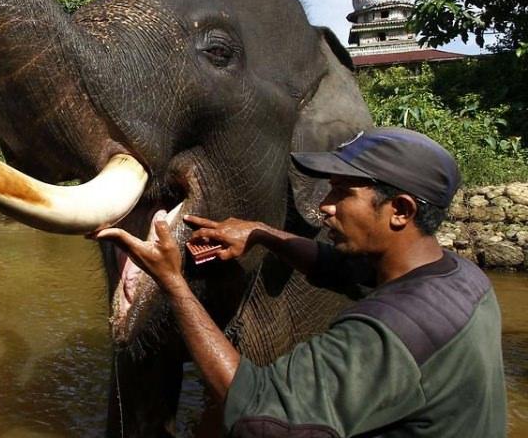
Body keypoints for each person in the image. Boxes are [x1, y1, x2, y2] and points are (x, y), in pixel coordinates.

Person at [92, 127, 506, 437]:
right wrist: (260, 233)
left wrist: (172, 282)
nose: (325, 207)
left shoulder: (392, 331)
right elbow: (332, 265)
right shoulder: (459, 277)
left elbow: (259, 410)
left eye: (343, 193)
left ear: (399, 210)